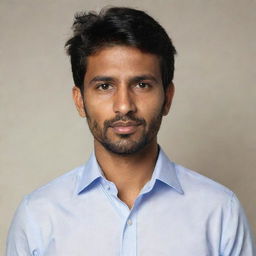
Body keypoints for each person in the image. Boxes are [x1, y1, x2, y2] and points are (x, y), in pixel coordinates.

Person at [6, 7, 255, 256]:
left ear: (167, 98)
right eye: (105, 86)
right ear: (80, 100)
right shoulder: (38, 217)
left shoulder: (221, 212)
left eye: (142, 84)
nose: (124, 105)